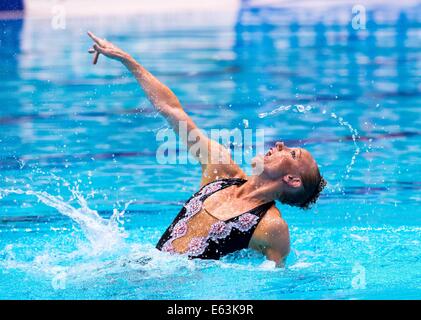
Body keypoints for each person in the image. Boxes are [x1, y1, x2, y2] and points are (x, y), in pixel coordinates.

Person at [87, 32, 326, 266]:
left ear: (292, 179)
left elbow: (277, 284)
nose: (280, 145)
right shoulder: (221, 171)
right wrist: (127, 60)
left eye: (293, 154)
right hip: (141, 267)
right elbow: (173, 111)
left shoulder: (271, 226)